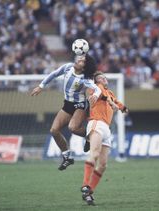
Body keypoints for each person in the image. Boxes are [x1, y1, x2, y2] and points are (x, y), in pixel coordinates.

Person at [31, 53, 101, 171]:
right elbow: (54, 74)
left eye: (82, 61)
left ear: (84, 67)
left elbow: (97, 88)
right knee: (54, 130)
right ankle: (67, 157)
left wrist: (95, 95)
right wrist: (41, 86)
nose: (79, 60)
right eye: (79, 58)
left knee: (72, 128)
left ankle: (91, 136)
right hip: (68, 104)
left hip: (80, 104)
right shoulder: (67, 67)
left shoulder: (85, 78)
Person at [80, 72, 128, 206]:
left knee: (103, 165)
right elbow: (105, 97)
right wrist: (112, 103)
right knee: (94, 154)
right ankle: (85, 185)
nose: (104, 79)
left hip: (106, 128)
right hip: (97, 123)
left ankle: (89, 192)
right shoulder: (96, 88)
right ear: (96, 81)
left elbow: (117, 103)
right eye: (100, 78)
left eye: (105, 77)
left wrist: (123, 108)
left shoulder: (110, 92)